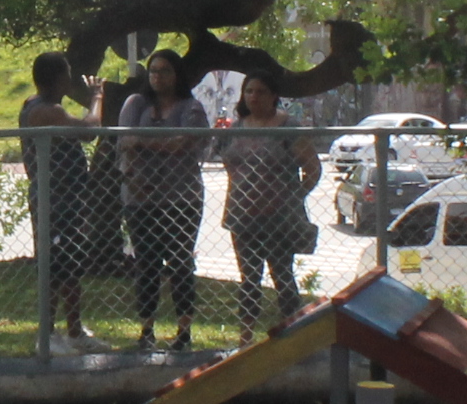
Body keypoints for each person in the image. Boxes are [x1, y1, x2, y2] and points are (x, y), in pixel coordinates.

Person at [117, 48, 212, 351]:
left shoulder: (191, 107)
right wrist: (154, 148)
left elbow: (185, 143)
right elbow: (123, 144)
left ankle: (183, 333)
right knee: (147, 264)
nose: (158, 77)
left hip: (182, 197)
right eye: (154, 71)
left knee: (181, 263)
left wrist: (143, 142)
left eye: (165, 71)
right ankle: (146, 331)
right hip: (140, 196)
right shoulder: (136, 104)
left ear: (177, 74)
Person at [214, 72, 320, 340]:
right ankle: (246, 337)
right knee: (249, 279)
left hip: (279, 219)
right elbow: (230, 164)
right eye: (249, 91)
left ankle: (292, 335)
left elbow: (313, 169)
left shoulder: (287, 127)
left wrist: (293, 197)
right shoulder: (237, 128)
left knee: (282, 277)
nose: (253, 97)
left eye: (260, 91)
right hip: (242, 217)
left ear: (274, 96)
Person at [19, 53, 109, 344]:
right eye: (67, 73)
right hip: (55, 199)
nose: (70, 79)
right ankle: (49, 335)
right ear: (58, 78)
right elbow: (90, 130)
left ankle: (73, 331)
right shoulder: (47, 111)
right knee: (58, 265)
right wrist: (97, 96)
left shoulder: (39, 106)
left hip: (67, 197)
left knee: (68, 265)